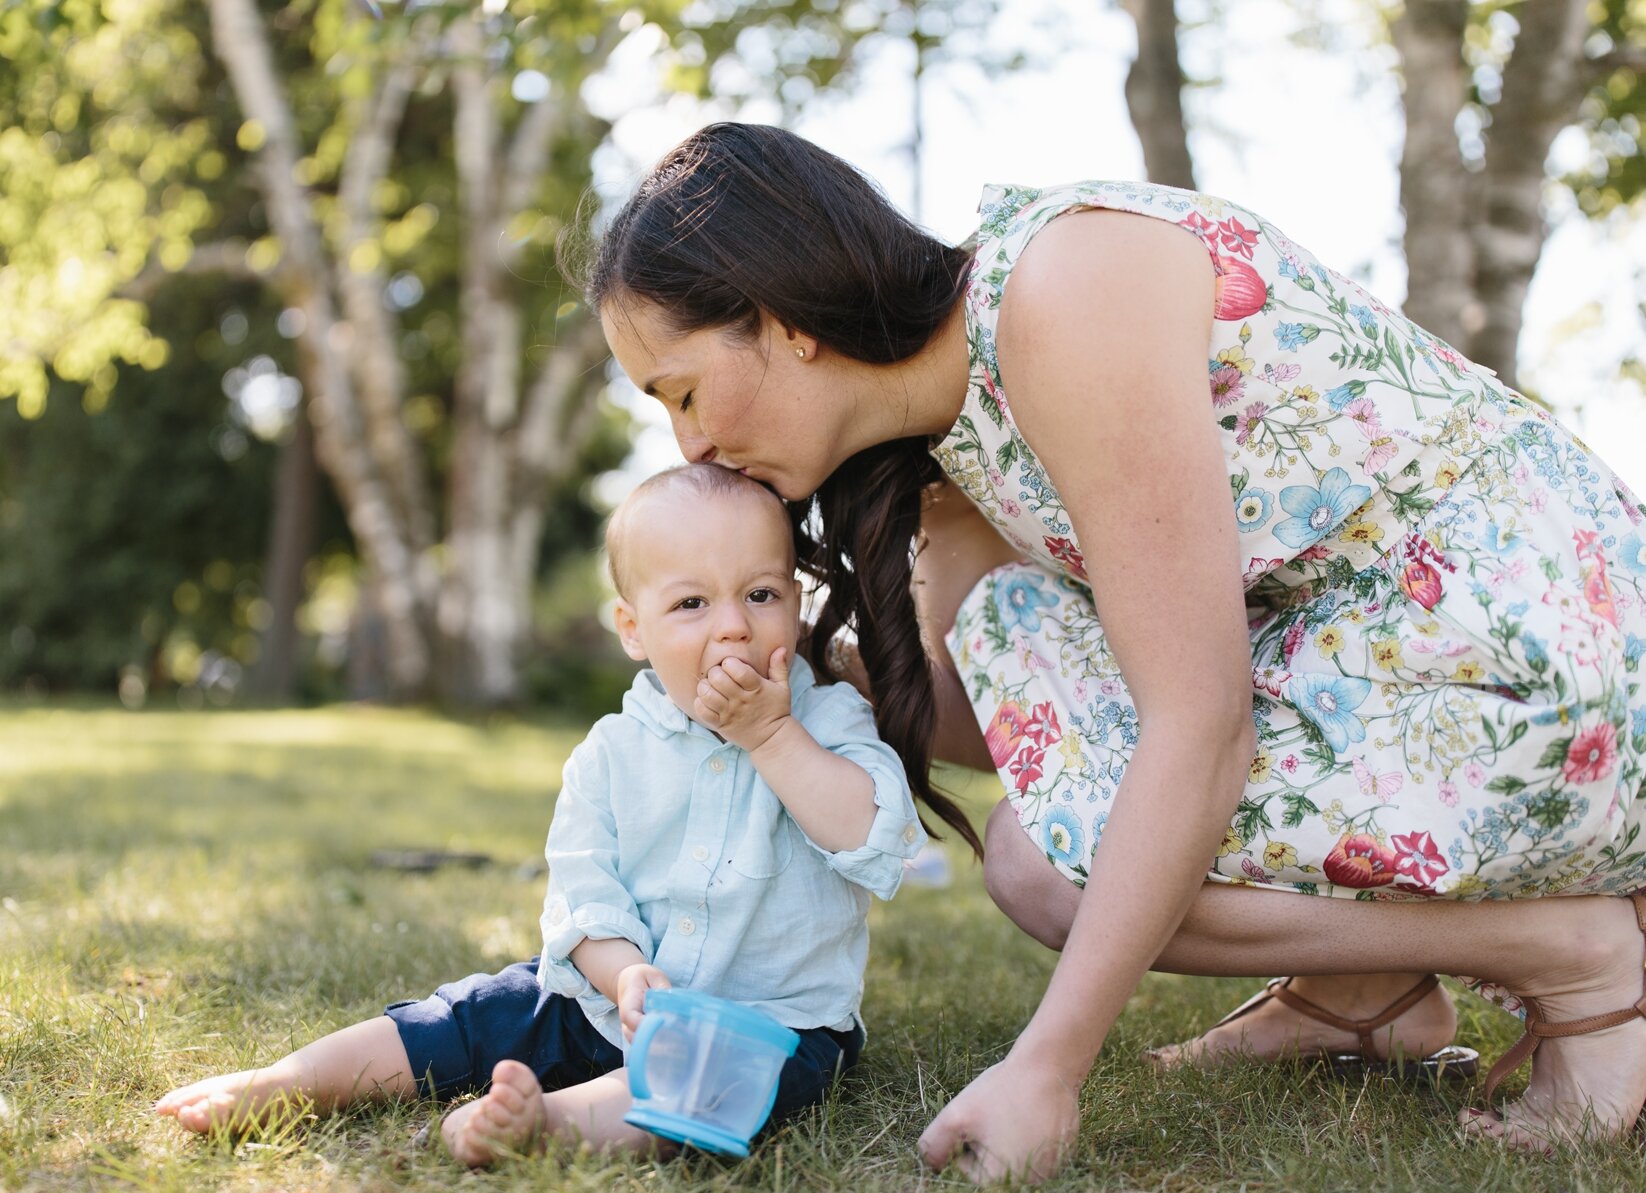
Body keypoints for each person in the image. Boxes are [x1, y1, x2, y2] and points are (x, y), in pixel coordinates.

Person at [579, 121, 1646, 1182]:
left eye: (678, 390)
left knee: (1043, 868)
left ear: (780, 321)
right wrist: (771, 682)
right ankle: (1364, 994)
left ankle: (1574, 952)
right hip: (1414, 661)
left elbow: (1198, 720)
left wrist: (1046, 1065)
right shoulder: (956, 432)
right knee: (1033, 816)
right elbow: (1000, 728)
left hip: (1543, 652)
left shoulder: (1059, 292)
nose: (690, 446)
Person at [155, 463, 924, 1164]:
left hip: (766, 1022)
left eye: (760, 594)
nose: (732, 625)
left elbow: (874, 837)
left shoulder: (827, 722)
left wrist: (772, 735)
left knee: (718, 1087)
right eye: (691, 602)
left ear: (794, 601)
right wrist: (623, 974)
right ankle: (291, 1080)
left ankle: (546, 1123)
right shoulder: (612, 751)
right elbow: (584, 893)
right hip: (605, 1000)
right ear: (633, 629)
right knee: (468, 1014)